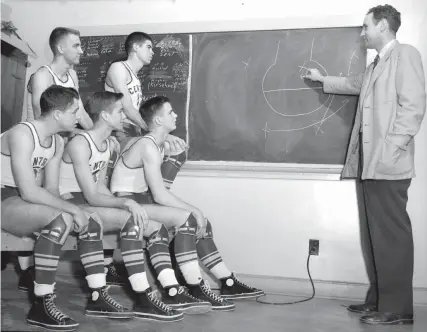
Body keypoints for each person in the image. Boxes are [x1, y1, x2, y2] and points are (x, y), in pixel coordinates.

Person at [304, 4, 426, 325]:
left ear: (383, 26)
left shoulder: (406, 55)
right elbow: (353, 83)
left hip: (388, 165)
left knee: (391, 237)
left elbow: (413, 107)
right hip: (369, 165)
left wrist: (391, 150)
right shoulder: (376, 65)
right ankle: (378, 301)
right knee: (374, 236)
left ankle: (397, 308)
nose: (362, 32)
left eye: (366, 26)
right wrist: (322, 79)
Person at [59, 91, 212, 319]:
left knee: (154, 226)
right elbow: (90, 195)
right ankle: (140, 296)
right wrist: (126, 202)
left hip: (91, 203)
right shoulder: (80, 143)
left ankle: (170, 289)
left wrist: (117, 204)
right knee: (134, 220)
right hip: (71, 202)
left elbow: (100, 188)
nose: (126, 115)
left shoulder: (107, 144)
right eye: (120, 111)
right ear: (105, 116)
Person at [110, 96, 265, 310]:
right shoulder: (147, 145)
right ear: (157, 121)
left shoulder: (155, 142)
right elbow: (160, 195)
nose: (175, 115)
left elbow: (158, 193)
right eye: (170, 112)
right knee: (189, 219)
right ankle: (194, 286)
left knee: (202, 223)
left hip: (141, 200)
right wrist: (195, 210)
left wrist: (197, 213)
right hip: (126, 203)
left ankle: (226, 282)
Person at [1, 86, 132, 331]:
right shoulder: (22, 133)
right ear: (58, 114)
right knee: (63, 218)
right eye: (75, 111)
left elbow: (50, 189)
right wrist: (72, 210)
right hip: (4, 198)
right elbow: (28, 191)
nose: (80, 117)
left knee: (90, 220)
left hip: (23, 201)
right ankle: (41, 303)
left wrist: (73, 211)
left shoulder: (57, 142)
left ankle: (98, 296)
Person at [19, 27, 122, 291]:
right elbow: (42, 118)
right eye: (76, 45)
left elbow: (81, 118)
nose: (81, 50)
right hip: (40, 144)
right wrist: (81, 136)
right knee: (36, 198)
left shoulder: (73, 75)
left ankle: (95, 273)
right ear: (60, 48)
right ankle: (27, 269)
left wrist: (97, 136)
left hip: (61, 139)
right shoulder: (43, 75)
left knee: (62, 195)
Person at [103, 31, 188, 281]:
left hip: (134, 131)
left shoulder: (136, 78)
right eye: (148, 47)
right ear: (135, 47)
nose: (152, 52)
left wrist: (160, 135)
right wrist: (155, 132)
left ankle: (156, 198)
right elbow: (127, 109)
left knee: (176, 150)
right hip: (119, 131)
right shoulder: (118, 68)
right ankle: (157, 199)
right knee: (156, 148)